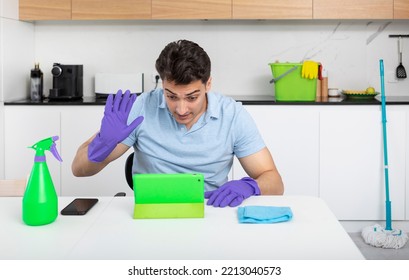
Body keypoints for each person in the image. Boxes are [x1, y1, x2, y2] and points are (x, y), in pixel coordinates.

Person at [72, 39, 284, 207]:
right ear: (162, 84)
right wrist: (103, 142)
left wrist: (250, 186)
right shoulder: (141, 107)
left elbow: (274, 182)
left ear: (208, 83)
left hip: (210, 209)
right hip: (151, 211)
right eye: (171, 96)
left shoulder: (232, 115)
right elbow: (79, 170)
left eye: (192, 97)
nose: (181, 109)